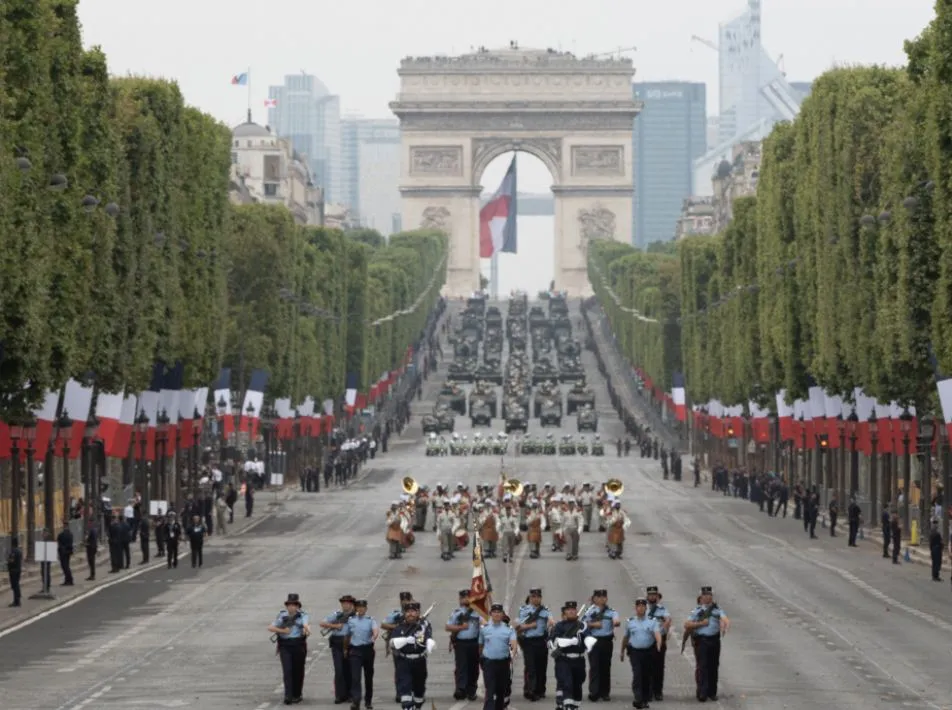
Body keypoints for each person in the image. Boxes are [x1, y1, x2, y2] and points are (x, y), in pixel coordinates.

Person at [684, 586, 729, 702]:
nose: (707, 597)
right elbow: (687, 624)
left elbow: (724, 618)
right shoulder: (697, 611)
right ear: (701, 597)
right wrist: (701, 624)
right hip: (702, 641)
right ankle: (702, 692)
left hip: (714, 640)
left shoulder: (717, 610)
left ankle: (712, 692)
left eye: (709, 595)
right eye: (704, 595)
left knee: (714, 666)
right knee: (703, 666)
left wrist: (725, 625)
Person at [548, 601, 593, 710]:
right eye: (568, 610)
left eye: (573, 609)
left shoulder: (583, 625)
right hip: (564, 659)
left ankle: (574, 706)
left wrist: (583, 642)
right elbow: (551, 641)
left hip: (579, 660)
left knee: (577, 685)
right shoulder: (559, 626)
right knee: (567, 683)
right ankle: (567, 706)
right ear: (565, 612)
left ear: (577, 611)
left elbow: (589, 640)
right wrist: (567, 641)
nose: (571, 611)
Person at [389, 601, 434, 710]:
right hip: (404, 661)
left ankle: (417, 705)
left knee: (419, 691)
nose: (410, 614)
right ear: (404, 613)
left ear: (418, 613)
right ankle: (407, 706)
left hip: (419, 661)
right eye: (408, 612)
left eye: (413, 612)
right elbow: (392, 643)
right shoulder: (399, 627)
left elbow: (428, 638)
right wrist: (405, 640)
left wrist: (430, 644)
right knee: (405, 688)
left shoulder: (423, 627)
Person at [268, 592, 311, 705]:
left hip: (298, 645)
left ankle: (297, 694)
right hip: (285, 646)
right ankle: (288, 695)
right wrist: (282, 631)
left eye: (294, 605)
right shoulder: (282, 616)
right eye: (289, 605)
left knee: (298, 670)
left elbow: (306, 623)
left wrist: (306, 628)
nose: (291, 607)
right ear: (287, 606)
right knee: (287, 670)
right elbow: (271, 627)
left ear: (297, 606)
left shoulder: (302, 615)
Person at [621, 598, 661, 709]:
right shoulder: (630, 622)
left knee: (646, 676)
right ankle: (638, 698)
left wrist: (658, 643)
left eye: (643, 606)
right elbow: (625, 637)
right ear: (635, 608)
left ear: (645, 608)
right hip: (635, 652)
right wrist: (622, 651)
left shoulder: (652, 621)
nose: (641, 608)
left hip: (648, 652)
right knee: (637, 674)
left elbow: (657, 634)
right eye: (638, 606)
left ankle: (644, 699)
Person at [480, 603, 518, 710]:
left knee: (501, 691)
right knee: (490, 690)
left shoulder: (509, 629)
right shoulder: (484, 629)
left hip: (503, 663)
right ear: (491, 613)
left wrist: (513, 652)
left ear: (502, 614)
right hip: (489, 663)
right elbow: (480, 645)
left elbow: (514, 645)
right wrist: (482, 658)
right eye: (494, 612)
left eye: (499, 612)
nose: (497, 614)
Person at [445, 590, 480, 701]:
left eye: (468, 597)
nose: (466, 599)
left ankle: (471, 690)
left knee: (473, 667)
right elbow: (448, 627)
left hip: (475, 642)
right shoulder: (457, 613)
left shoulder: (477, 612)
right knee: (461, 666)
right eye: (464, 597)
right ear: (460, 600)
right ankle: (461, 689)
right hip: (461, 643)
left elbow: (486, 624)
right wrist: (461, 628)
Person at [345, 599, 379, 710]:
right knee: (355, 677)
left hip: (367, 650)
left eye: (363, 607)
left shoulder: (370, 620)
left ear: (366, 609)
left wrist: (374, 636)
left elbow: (375, 630)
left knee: (368, 677)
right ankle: (356, 701)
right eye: (359, 607)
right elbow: (347, 635)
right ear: (356, 609)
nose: (361, 609)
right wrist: (345, 649)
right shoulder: (351, 620)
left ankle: (368, 701)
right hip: (355, 651)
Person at [645, 586, 671, 701]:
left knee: (659, 667)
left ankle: (658, 691)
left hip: (660, 640)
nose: (652, 596)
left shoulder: (662, 609)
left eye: (654, 594)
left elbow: (668, 619)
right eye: (650, 594)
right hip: (647, 640)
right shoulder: (643, 608)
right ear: (647, 596)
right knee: (647, 667)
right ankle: (648, 691)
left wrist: (665, 626)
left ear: (657, 596)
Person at [57, 521, 74, 586]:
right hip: (68, 552)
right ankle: (68, 580)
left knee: (65, 567)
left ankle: (69, 580)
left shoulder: (61, 535)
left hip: (63, 552)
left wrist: (60, 551)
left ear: (64, 526)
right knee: (67, 566)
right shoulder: (71, 534)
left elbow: (59, 543)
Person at [6, 536, 22, 607]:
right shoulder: (19, 551)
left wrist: (8, 560)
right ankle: (18, 599)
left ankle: (16, 601)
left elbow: (11, 560)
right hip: (18, 570)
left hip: (13, 571)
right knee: (17, 585)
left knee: (15, 586)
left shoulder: (13, 551)